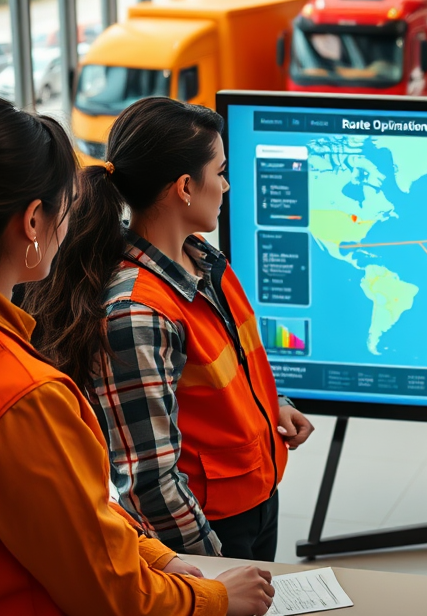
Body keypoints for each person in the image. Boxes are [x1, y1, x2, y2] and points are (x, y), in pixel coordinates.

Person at [0, 96, 275, 616]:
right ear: (32, 223)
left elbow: (73, 519)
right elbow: (108, 589)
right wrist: (213, 590)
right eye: (63, 207)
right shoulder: (21, 397)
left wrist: (153, 554)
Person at [27, 97, 314, 561]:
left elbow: (225, 370)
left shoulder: (206, 262)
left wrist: (269, 405)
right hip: (210, 527)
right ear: (184, 187)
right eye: (220, 172)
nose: (226, 185)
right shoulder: (137, 314)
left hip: (258, 498)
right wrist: (212, 568)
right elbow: (149, 481)